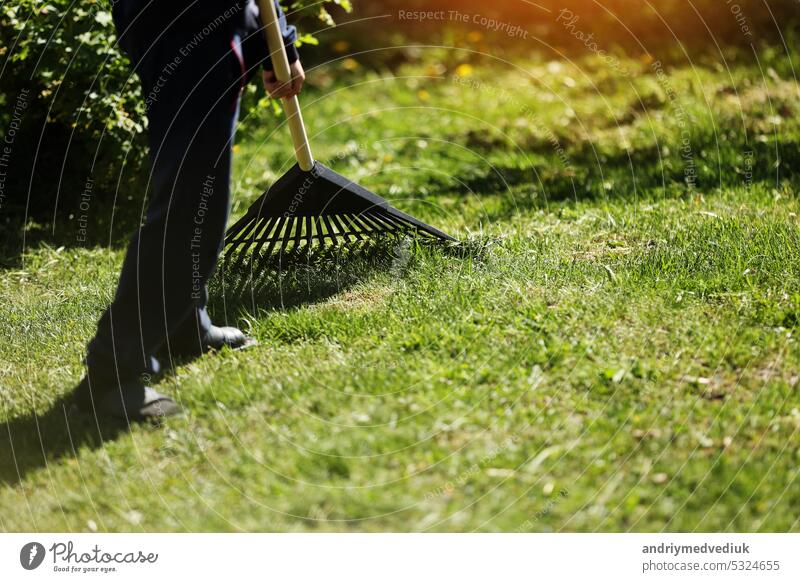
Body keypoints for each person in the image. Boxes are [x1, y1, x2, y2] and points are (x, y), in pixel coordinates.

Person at [72, 0, 305, 421]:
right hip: (183, 21)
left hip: (203, 20)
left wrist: (277, 43)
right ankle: (111, 371)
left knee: (195, 188)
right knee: (191, 209)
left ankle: (183, 325)